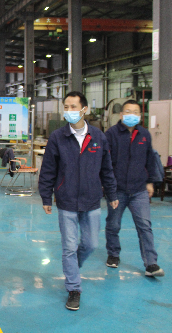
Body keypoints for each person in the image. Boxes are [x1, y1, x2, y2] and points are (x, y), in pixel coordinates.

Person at [38, 91, 119, 311]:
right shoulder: (58, 137)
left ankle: (72, 267)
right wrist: (46, 196)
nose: (69, 111)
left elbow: (107, 169)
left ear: (85, 109)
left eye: (73, 107)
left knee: (91, 244)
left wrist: (112, 194)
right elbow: (48, 170)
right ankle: (74, 288)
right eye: (66, 107)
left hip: (92, 200)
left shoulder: (98, 137)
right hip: (66, 200)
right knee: (69, 247)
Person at [104, 99, 164, 277]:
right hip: (117, 190)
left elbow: (150, 159)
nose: (132, 115)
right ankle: (113, 254)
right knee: (114, 224)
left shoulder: (144, 134)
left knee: (145, 226)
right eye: (128, 112)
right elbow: (105, 162)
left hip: (139, 189)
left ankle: (151, 263)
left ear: (140, 115)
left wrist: (150, 181)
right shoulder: (111, 134)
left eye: (135, 112)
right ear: (121, 114)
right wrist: (108, 187)